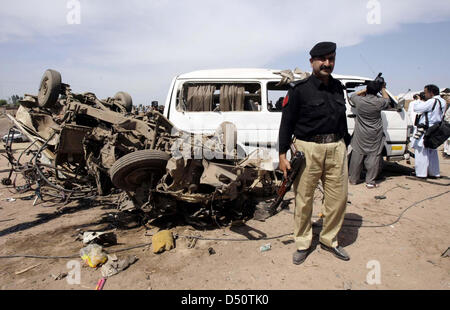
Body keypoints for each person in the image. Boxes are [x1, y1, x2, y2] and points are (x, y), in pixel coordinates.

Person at [278, 41, 351, 265]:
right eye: (323, 59)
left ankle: (330, 240)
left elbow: (341, 120)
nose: (327, 63)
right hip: (308, 149)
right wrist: (282, 155)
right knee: (304, 199)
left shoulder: (338, 87)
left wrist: (344, 144)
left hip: (336, 148)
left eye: (331, 59)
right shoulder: (299, 90)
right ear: (312, 62)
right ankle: (302, 243)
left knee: (338, 199)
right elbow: (286, 124)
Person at [348, 79, 393, 188]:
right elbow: (387, 99)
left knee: (357, 156)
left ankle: (353, 179)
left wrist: (364, 90)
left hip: (360, 133)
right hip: (375, 133)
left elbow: (352, 95)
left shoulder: (359, 101)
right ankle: (370, 182)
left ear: (367, 90)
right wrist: (382, 88)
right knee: (373, 157)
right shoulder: (380, 102)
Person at [411, 84, 447, 178]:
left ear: (431, 93)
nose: (425, 94)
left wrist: (419, 100)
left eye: (426, 92)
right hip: (435, 128)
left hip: (426, 129)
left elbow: (416, 108)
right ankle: (434, 173)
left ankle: (421, 173)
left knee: (421, 151)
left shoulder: (432, 101)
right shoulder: (443, 101)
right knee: (432, 151)